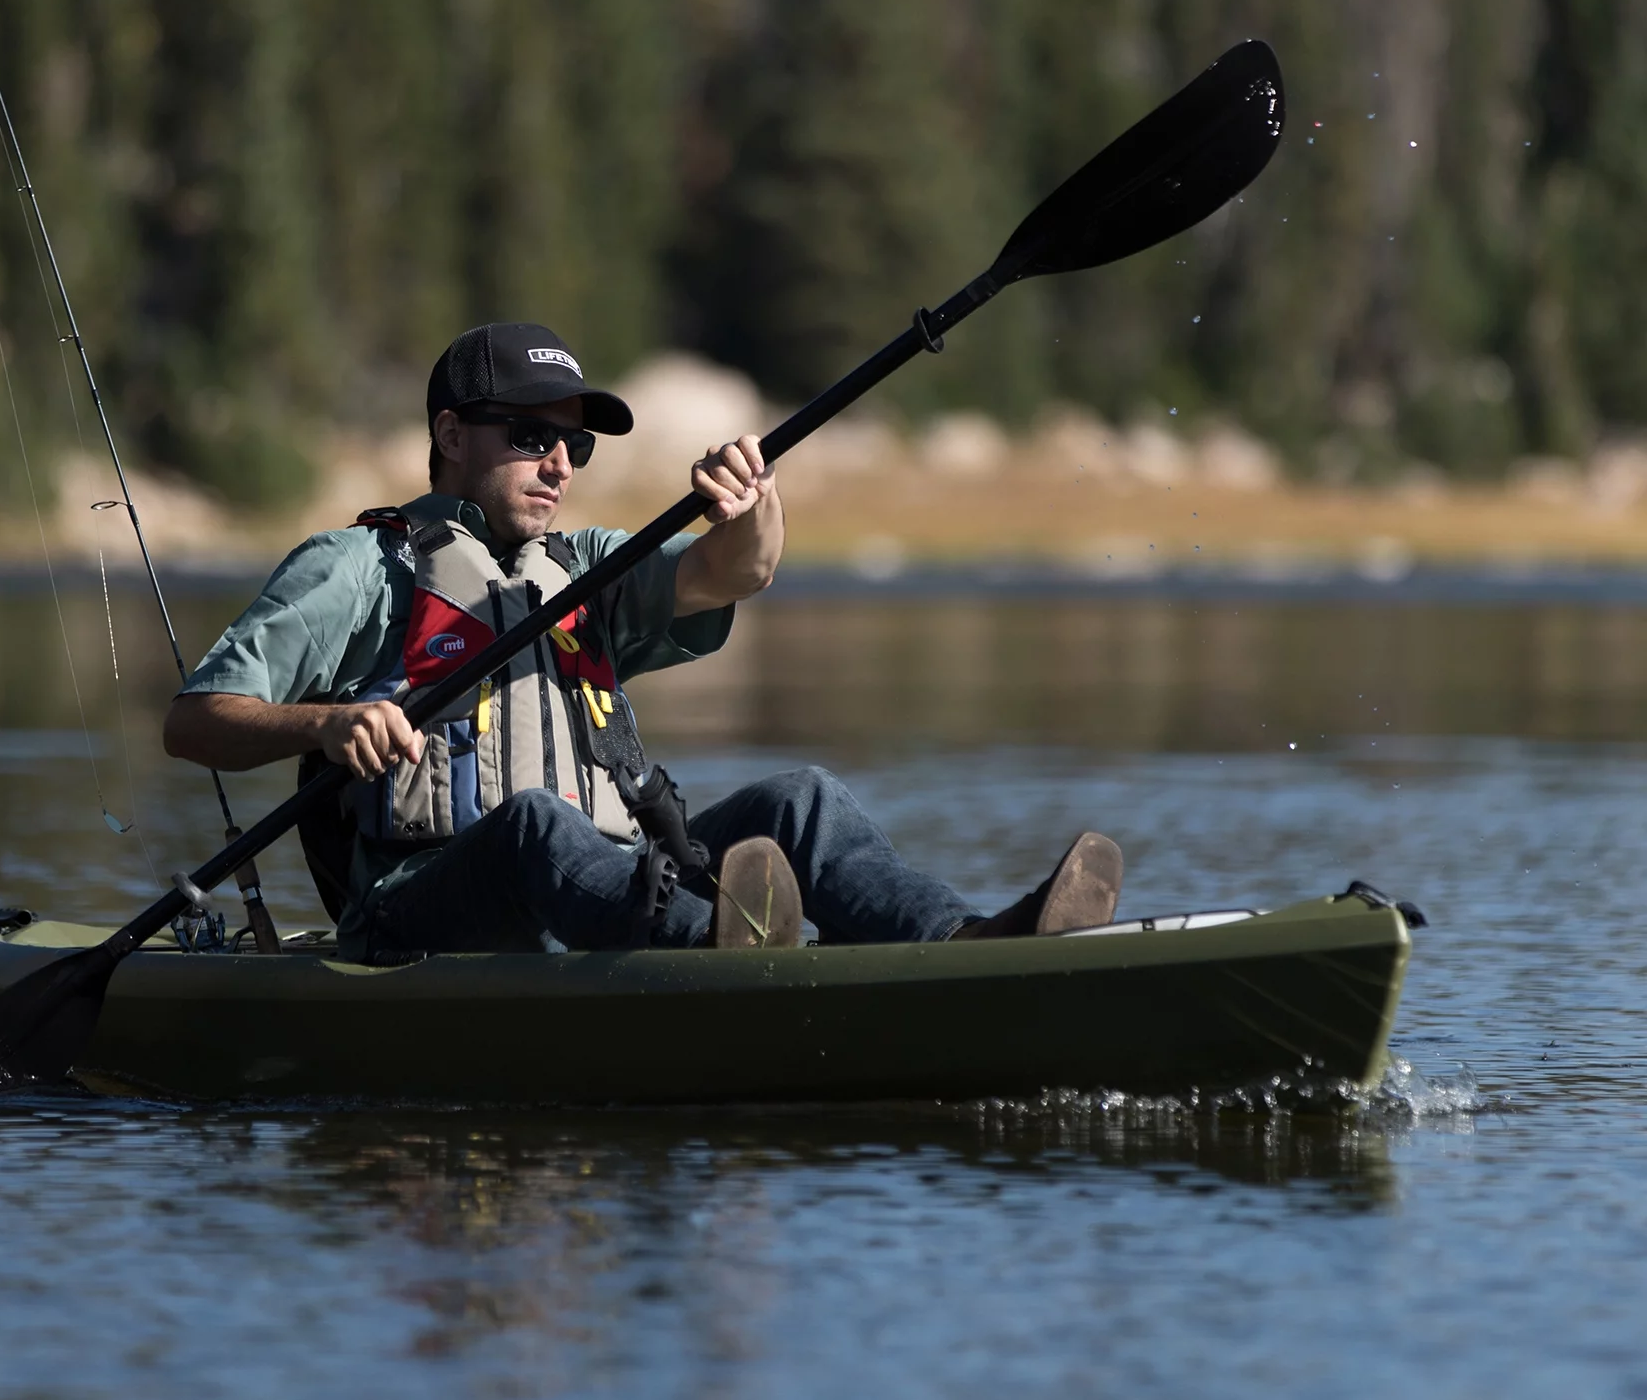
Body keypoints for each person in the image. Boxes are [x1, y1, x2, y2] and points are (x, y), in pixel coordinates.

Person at [164, 321, 1123, 959]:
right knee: (537, 824)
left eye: (574, 446)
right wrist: (325, 725)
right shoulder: (358, 569)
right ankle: (728, 948)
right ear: (451, 435)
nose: (559, 463)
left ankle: (965, 944)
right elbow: (195, 721)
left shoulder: (583, 567)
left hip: (618, 885)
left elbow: (736, 571)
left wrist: (751, 502)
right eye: (530, 436)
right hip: (416, 912)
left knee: (801, 800)